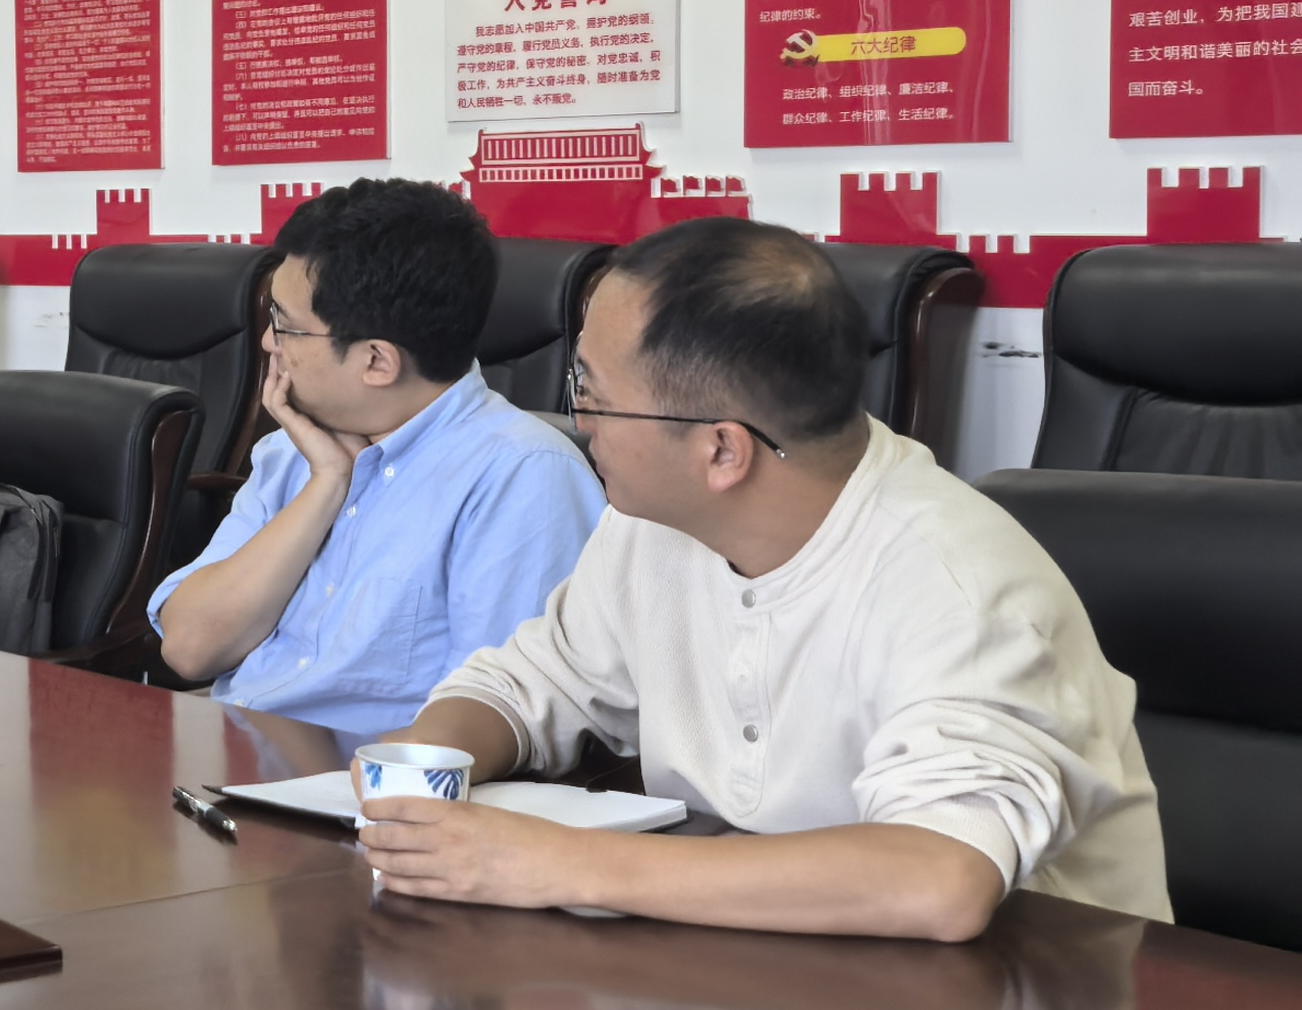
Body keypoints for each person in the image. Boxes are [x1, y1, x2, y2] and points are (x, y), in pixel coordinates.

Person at [363, 217, 1167, 938]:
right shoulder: (651, 524)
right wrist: (414, 778)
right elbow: (532, 683)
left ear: (722, 450)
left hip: (1033, 1001)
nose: (579, 420)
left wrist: (558, 865)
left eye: (593, 393)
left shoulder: (955, 585)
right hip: (768, 967)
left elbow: (940, 878)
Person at [149, 178, 600, 740]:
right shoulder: (293, 451)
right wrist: (327, 483)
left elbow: (492, 722)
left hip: (365, 782)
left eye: (283, 324)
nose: (267, 343)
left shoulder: (522, 477)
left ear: (377, 362)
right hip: (242, 753)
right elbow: (189, 649)